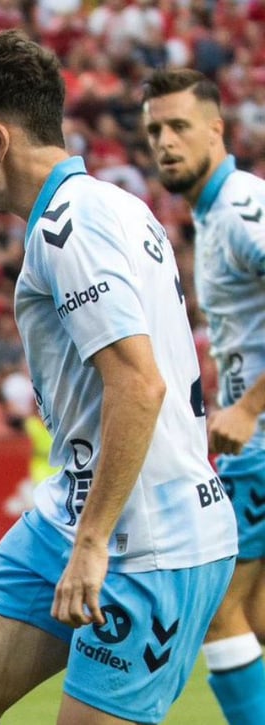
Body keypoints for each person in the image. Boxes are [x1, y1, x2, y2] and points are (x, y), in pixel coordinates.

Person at [0, 31, 237, 724]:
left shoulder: (73, 228)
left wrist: (94, 544)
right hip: (72, 506)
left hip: (151, 537)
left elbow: (138, 383)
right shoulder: (105, 205)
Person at [142, 68, 265, 725]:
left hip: (262, 442)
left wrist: (248, 407)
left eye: (180, 126)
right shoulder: (214, 214)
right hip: (254, 444)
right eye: (155, 130)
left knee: (218, 610)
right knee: (255, 617)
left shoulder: (243, 206)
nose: (165, 141)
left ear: (217, 130)